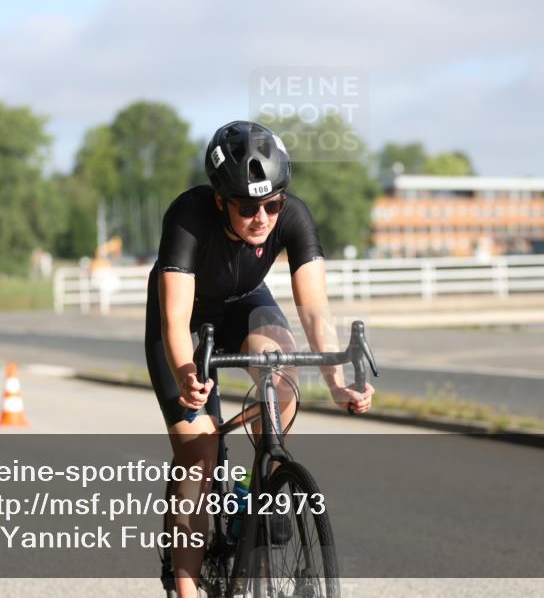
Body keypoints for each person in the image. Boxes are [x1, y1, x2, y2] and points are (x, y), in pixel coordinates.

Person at [145, 120, 375, 597]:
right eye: (248, 207)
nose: (263, 218)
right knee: (199, 458)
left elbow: (313, 308)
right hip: (184, 325)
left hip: (245, 303)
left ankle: (256, 496)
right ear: (220, 200)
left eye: (272, 204)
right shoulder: (188, 216)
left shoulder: (292, 216)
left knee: (282, 369)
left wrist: (336, 381)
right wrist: (188, 374)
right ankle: (186, 582)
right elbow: (173, 318)